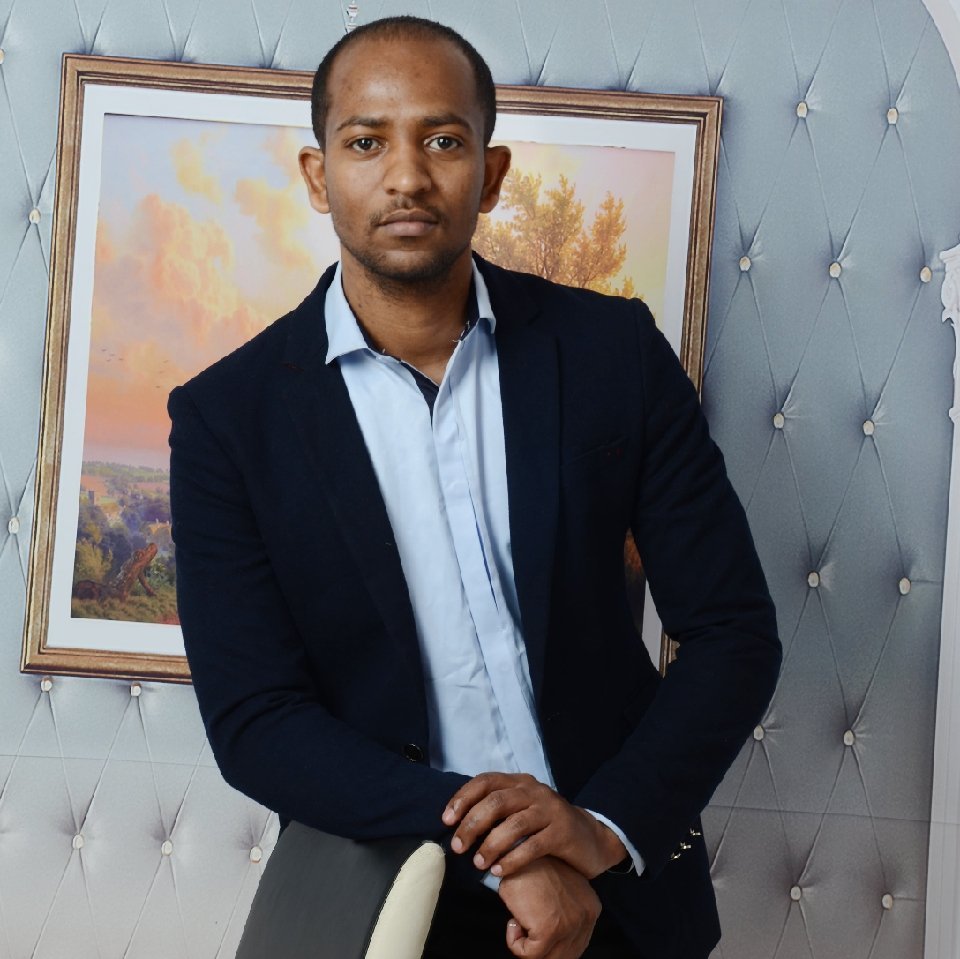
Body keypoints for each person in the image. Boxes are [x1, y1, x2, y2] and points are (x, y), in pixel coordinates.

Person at [167, 15, 780, 959]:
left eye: (443, 141)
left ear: (490, 175)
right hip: (389, 904)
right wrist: (500, 849)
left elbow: (733, 631)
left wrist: (600, 828)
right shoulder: (227, 418)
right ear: (317, 176)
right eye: (366, 143)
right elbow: (257, 720)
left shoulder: (612, 354)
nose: (406, 177)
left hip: (623, 896)